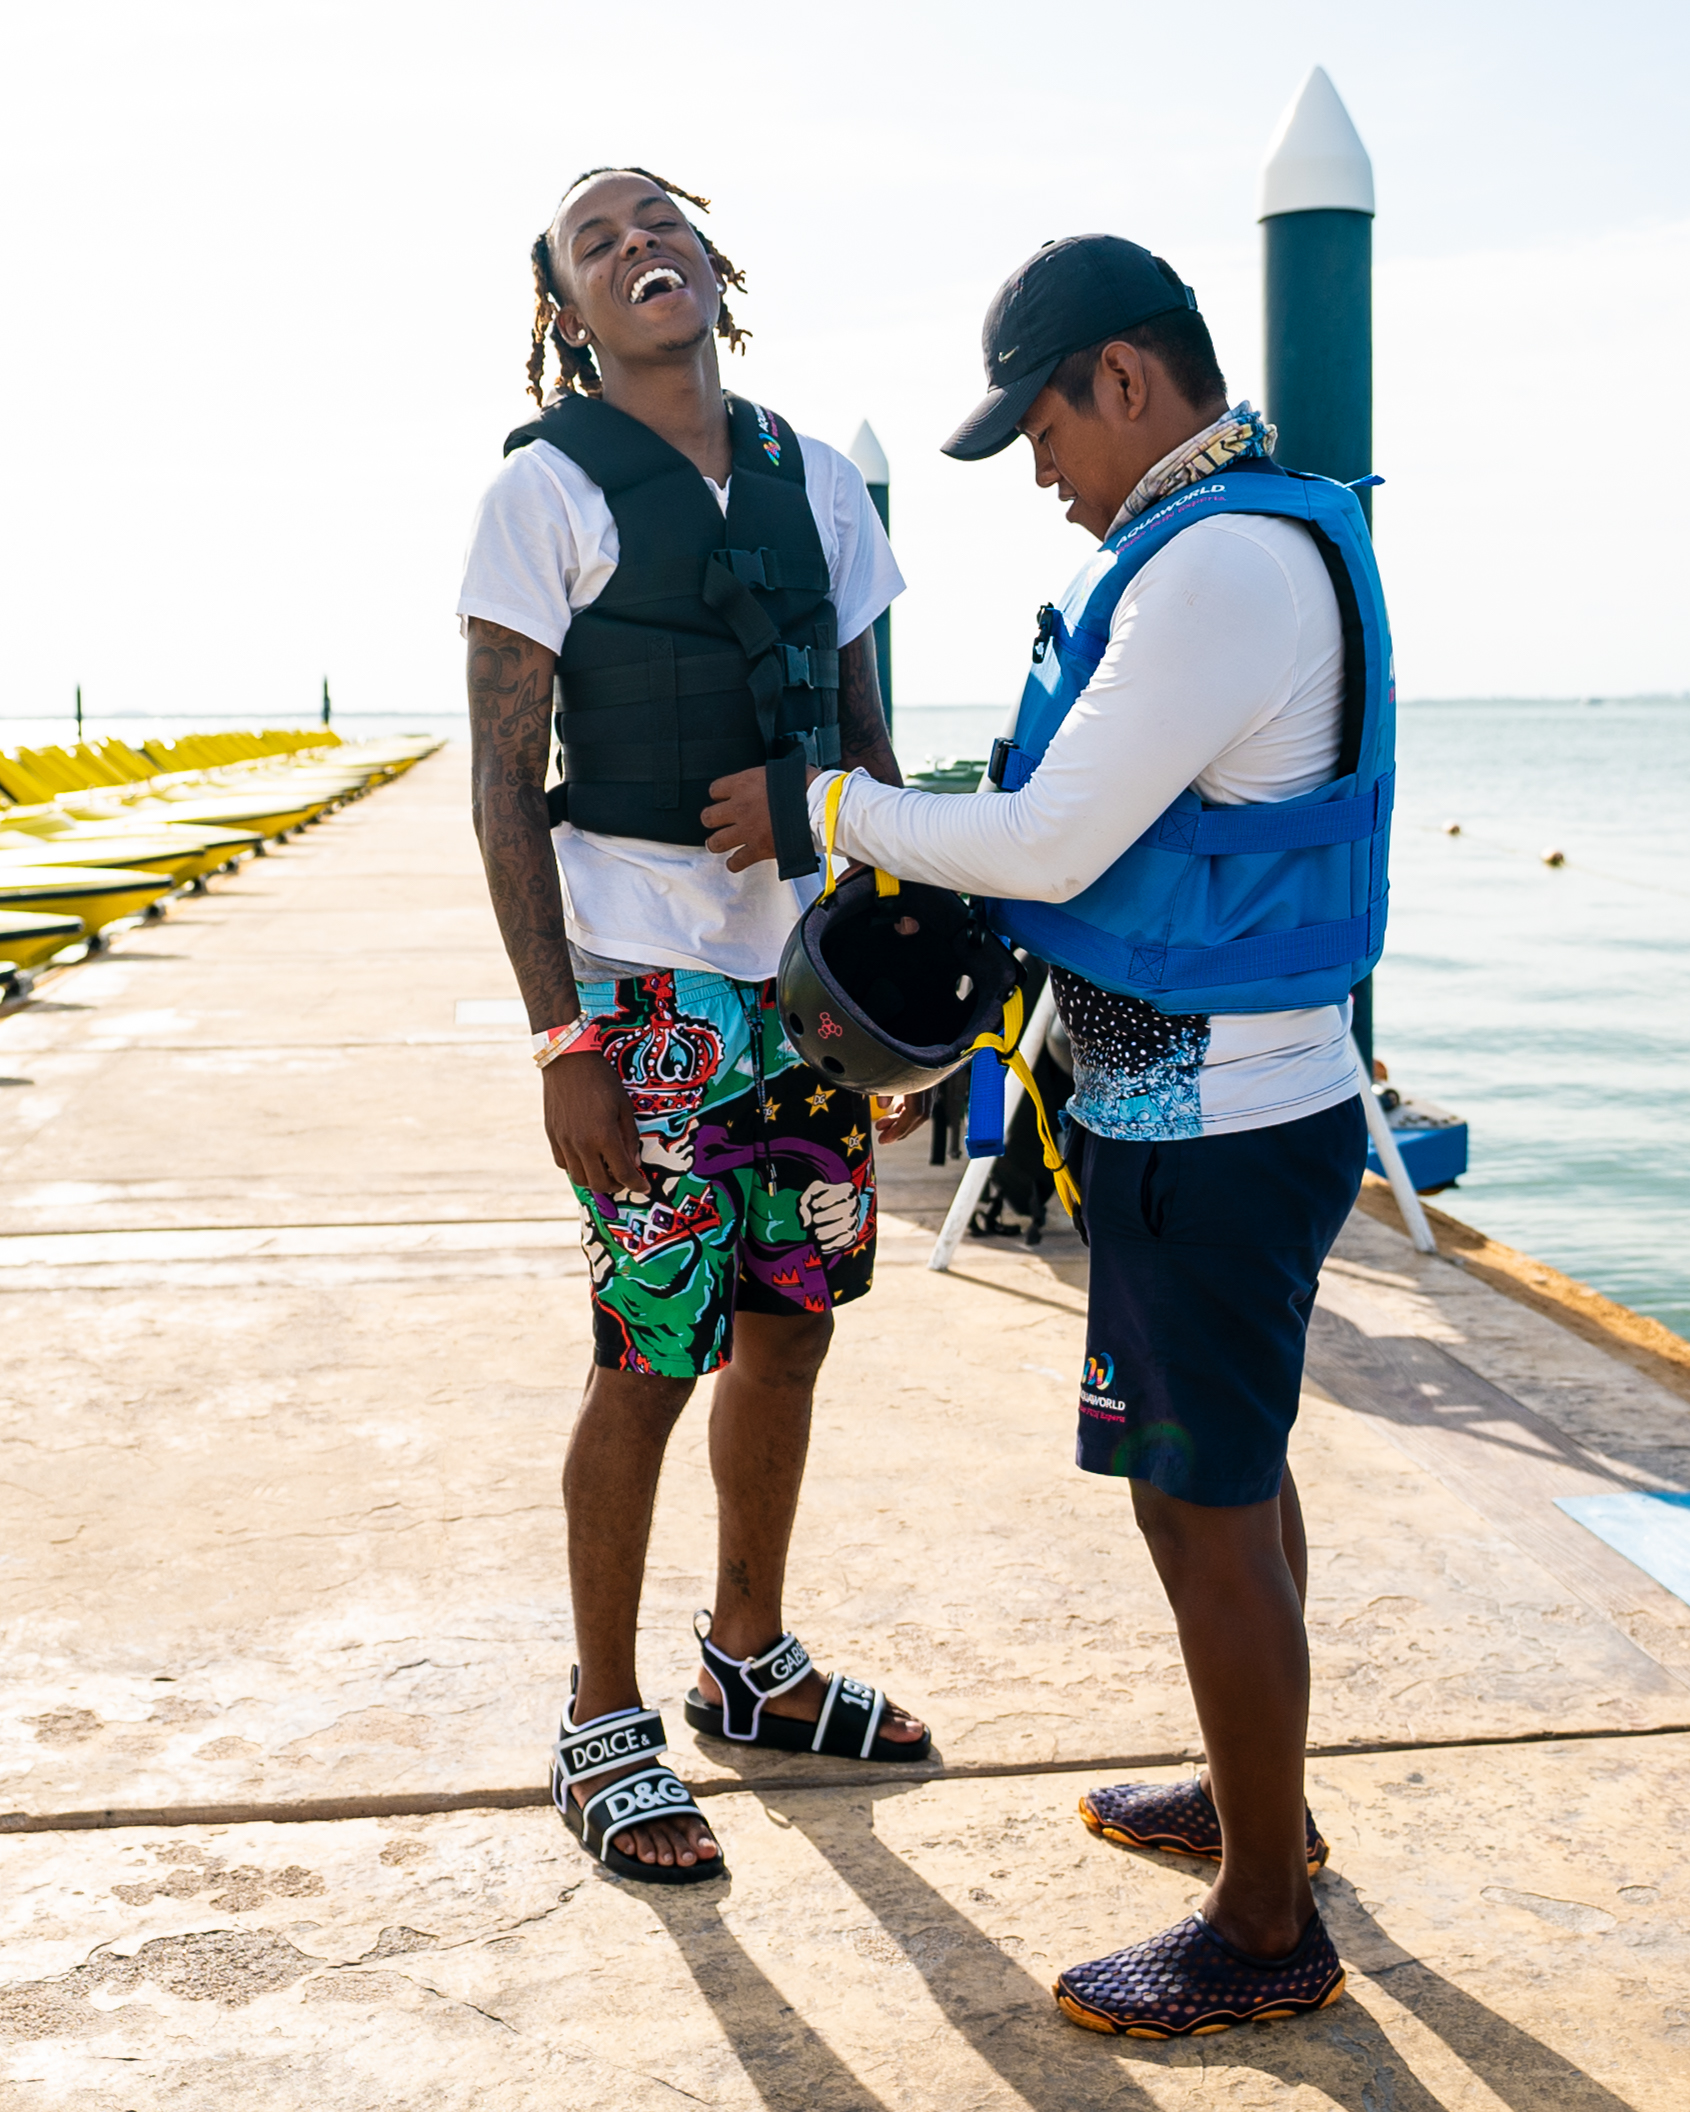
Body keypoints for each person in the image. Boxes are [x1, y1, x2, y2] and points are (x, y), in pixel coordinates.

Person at [702, 235, 1392, 2029]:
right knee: (1225, 1486)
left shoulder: (1223, 568)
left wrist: (821, 804)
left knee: (1198, 1509)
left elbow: (1051, 844)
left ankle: (1260, 1930)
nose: (1037, 470)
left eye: (1041, 425)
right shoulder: (1230, 548)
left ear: (1127, 382)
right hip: (1218, 1110)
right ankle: (1268, 1811)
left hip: (1217, 1132)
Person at [460, 167, 930, 1888]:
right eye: (597, 242)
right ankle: (602, 1718)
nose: (637, 245)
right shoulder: (543, 493)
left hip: (801, 983)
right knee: (646, 1349)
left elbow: (871, 756)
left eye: (660, 221)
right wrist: (557, 1041)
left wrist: (887, 976)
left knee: (793, 1325)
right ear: (566, 314)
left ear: (714, 263)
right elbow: (504, 788)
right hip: (637, 984)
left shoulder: (819, 480)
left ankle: (752, 1661)